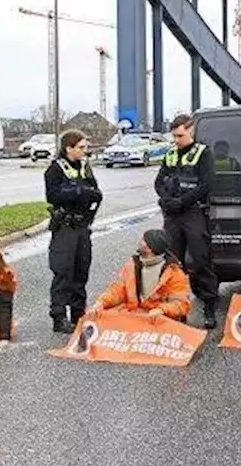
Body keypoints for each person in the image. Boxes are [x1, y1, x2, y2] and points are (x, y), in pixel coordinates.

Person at [155, 113, 220, 328]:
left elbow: (206, 184)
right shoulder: (171, 154)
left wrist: (182, 202)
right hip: (173, 215)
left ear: (191, 130)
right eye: (174, 136)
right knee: (173, 262)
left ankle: (209, 306)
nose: (176, 140)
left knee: (201, 260)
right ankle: (176, 307)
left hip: (193, 212)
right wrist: (166, 200)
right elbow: (159, 181)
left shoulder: (203, 153)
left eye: (180, 135)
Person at [44, 130, 103, 332]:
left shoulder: (85, 167)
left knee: (81, 271)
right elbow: (53, 196)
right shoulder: (55, 169)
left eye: (85, 147)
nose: (84, 151)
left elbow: (95, 191)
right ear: (69, 148)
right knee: (63, 272)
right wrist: (78, 192)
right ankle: (59, 317)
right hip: (65, 228)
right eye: (81, 148)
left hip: (82, 226)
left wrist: (90, 196)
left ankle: (78, 313)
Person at [88, 229, 191, 321]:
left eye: (143, 240)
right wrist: (101, 302)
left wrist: (161, 310)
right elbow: (118, 289)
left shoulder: (174, 273)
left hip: (159, 320)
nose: (140, 241)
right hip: (136, 316)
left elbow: (181, 304)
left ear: (150, 248)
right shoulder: (132, 265)